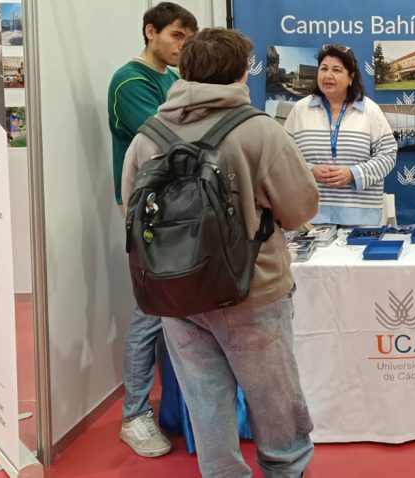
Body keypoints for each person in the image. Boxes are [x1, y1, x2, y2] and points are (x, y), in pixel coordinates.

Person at [122, 28, 319, 477]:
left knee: (206, 405)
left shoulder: (147, 136)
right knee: (275, 404)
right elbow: (300, 209)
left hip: (176, 296)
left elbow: (130, 214)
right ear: (240, 73)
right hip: (253, 291)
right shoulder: (259, 131)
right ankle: (286, 470)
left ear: (184, 71)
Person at [105, 2, 197, 457]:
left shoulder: (171, 78)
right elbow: (172, 138)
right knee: (149, 314)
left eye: (188, 39)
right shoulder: (130, 81)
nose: (182, 46)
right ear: (150, 31)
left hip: (180, 212)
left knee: (173, 315)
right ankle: (134, 415)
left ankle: (173, 409)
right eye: (176, 35)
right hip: (150, 216)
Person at [283, 44, 397, 226]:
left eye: (336, 70)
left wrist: (353, 174)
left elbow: (388, 155)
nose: (328, 75)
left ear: (351, 77)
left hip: (360, 221)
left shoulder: (370, 110)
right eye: (324, 69)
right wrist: (308, 170)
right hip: (308, 220)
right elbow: (282, 156)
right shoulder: (300, 109)